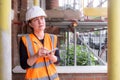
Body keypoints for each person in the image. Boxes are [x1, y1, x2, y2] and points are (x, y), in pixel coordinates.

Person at [19, 6, 60, 80]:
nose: (40, 22)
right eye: (36, 20)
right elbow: (24, 65)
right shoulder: (25, 40)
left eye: (42, 18)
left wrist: (52, 57)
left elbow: (58, 60)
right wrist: (36, 56)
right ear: (30, 24)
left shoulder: (53, 38)